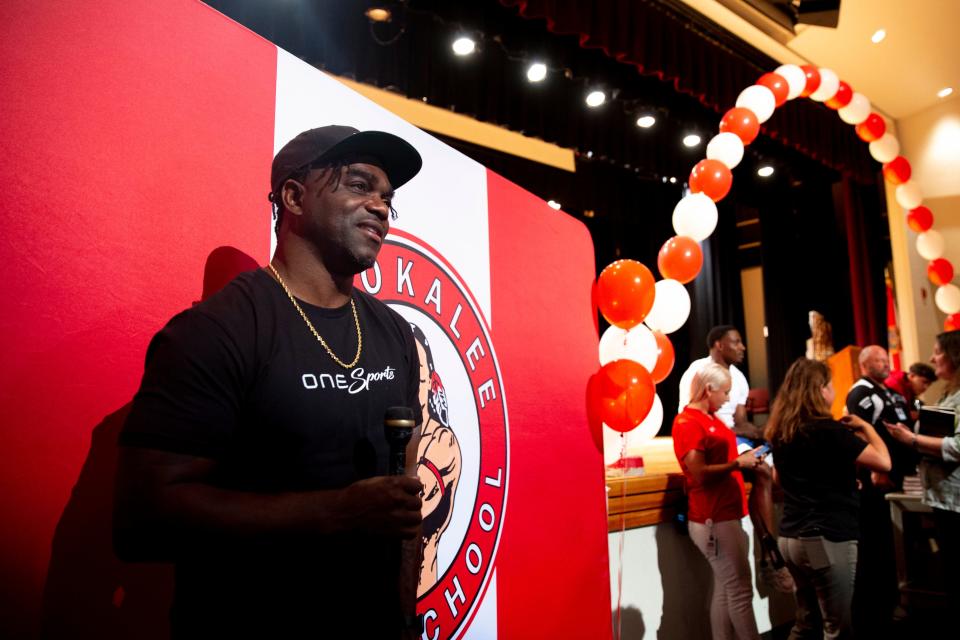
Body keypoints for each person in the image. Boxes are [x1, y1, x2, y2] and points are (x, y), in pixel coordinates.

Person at [113, 125, 426, 637]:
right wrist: (335, 512)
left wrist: (402, 618)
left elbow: (404, 501)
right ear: (293, 196)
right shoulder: (219, 329)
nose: (379, 207)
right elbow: (141, 518)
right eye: (358, 184)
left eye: (387, 198)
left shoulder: (393, 332)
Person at [766, 358, 891, 640]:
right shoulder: (830, 430)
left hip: (791, 538)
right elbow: (884, 462)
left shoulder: (781, 431)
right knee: (837, 627)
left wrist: (839, 481)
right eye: (831, 385)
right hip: (824, 537)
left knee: (806, 621)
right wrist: (866, 428)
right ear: (820, 390)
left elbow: (779, 481)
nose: (834, 391)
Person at [678, 325, 787, 590]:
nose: (742, 347)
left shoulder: (739, 377)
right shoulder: (696, 371)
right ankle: (770, 554)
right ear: (718, 344)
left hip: (736, 438)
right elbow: (689, 416)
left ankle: (779, 543)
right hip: (714, 438)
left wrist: (766, 432)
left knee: (777, 470)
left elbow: (741, 422)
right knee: (761, 471)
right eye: (735, 342)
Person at [674, 362, 764, 640]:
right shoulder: (688, 422)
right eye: (725, 392)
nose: (728, 399)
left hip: (725, 512)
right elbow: (699, 474)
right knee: (739, 589)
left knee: (727, 589)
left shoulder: (712, 419)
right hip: (713, 516)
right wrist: (738, 462)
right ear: (709, 389)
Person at [844, 345, 915, 633]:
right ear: (864, 364)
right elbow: (860, 431)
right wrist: (875, 467)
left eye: (887, 359)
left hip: (902, 478)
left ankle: (899, 597)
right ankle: (880, 608)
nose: (886, 363)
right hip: (878, 483)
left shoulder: (889, 391)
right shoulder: (860, 392)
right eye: (879, 359)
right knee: (881, 544)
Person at [885, 330, 960, 600]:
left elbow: (958, 447)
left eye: (938, 352)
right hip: (944, 499)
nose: (932, 358)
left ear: (954, 356)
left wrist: (913, 439)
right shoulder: (947, 394)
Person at [410, 324, 462, 597]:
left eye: (416, 375)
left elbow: (407, 509)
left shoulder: (443, 443)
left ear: (430, 379)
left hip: (424, 598)